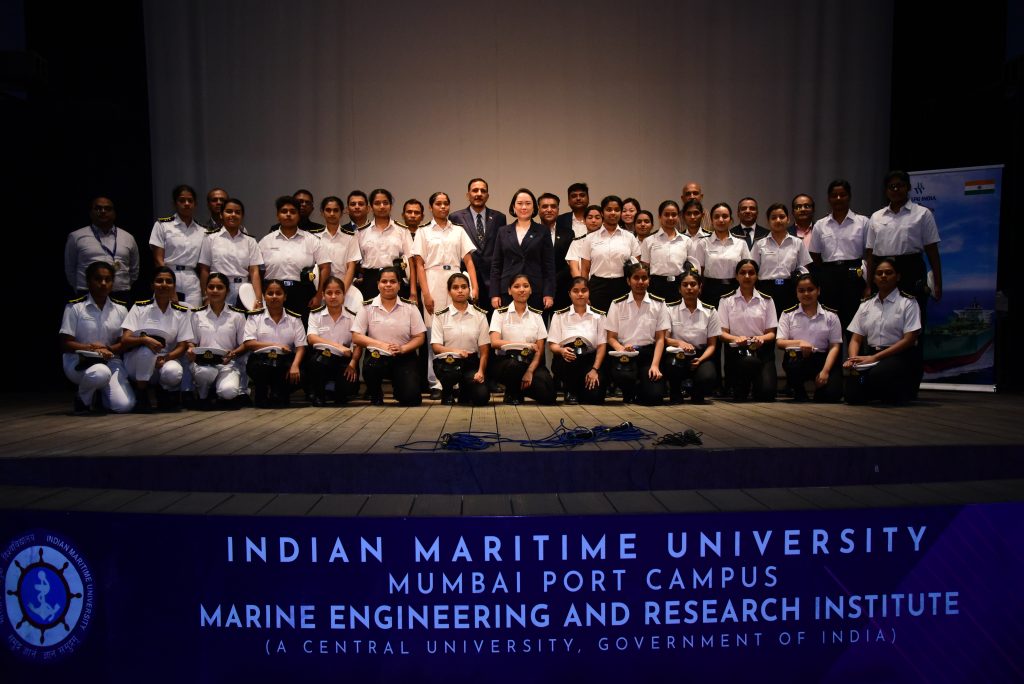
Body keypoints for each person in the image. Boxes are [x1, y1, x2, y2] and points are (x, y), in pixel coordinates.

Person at [413, 191, 479, 396]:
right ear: (431, 207)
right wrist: (425, 293)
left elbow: (468, 260)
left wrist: (474, 286)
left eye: (446, 203)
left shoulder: (458, 230)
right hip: (433, 280)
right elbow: (419, 264)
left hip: (456, 280)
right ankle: (436, 383)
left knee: (456, 330)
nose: (442, 207)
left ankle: (456, 380)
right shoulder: (423, 232)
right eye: (438, 204)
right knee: (435, 334)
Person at [59, 261, 135, 414]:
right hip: (80, 361)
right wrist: (91, 348)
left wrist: (108, 349)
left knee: (124, 405)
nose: (103, 283)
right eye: (98, 279)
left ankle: (101, 396)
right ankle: (83, 399)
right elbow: (65, 343)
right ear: (88, 281)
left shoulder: (120, 309)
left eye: (108, 279)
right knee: (100, 372)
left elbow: (124, 343)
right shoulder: (75, 307)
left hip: (110, 360)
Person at [843, 257, 922, 404]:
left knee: (878, 375)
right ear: (873, 278)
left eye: (888, 273)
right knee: (852, 395)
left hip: (899, 356)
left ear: (897, 276)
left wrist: (875, 358)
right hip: (871, 357)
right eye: (879, 273)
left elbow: (909, 339)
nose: (883, 276)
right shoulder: (866, 305)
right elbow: (856, 338)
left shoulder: (908, 303)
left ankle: (896, 392)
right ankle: (878, 392)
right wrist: (853, 359)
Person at [120, 267, 194, 412]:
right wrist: (144, 340)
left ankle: (164, 392)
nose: (164, 284)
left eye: (169, 281)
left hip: (163, 360)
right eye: (159, 281)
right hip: (137, 361)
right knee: (146, 352)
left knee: (174, 371)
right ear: (152, 285)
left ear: (174, 286)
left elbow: (182, 345)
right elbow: (125, 339)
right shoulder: (139, 308)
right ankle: (142, 394)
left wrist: (166, 358)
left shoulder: (181, 312)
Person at [351, 267, 426, 406]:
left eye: (393, 281)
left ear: (399, 285)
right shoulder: (367, 307)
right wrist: (382, 346)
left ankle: (400, 390)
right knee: (371, 365)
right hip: (377, 356)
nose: (388, 285)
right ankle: (375, 393)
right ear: (378, 284)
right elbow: (356, 336)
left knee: (411, 399)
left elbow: (420, 337)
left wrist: (403, 349)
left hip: (404, 356)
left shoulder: (410, 307)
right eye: (384, 281)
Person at [809, 179, 870, 332]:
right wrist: (823, 277)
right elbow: (815, 256)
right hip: (829, 276)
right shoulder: (820, 225)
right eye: (834, 195)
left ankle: (855, 356)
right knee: (830, 326)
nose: (838, 199)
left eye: (842, 195)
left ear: (849, 196)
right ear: (829, 198)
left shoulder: (862, 222)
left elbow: (870, 254)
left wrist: (869, 285)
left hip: (854, 275)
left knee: (855, 325)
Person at [258, 195, 330, 321]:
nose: (288, 215)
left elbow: (325, 267)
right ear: (277, 215)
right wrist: (259, 296)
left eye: (293, 212)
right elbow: (256, 270)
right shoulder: (265, 241)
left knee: (303, 332)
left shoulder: (312, 240)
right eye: (284, 211)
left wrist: (319, 295)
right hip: (274, 293)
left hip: (303, 293)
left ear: (298, 215)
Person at [606, 262, 668, 405]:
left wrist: (655, 366)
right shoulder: (617, 304)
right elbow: (611, 338)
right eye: (636, 278)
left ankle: (641, 388)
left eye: (644, 278)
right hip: (625, 355)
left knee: (654, 398)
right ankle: (629, 391)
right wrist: (622, 350)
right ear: (628, 281)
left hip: (648, 355)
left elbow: (660, 339)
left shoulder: (659, 304)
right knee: (623, 375)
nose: (640, 282)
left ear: (649, 280)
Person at [488, 274, 555, 405]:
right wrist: (523, 345)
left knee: (549, 395)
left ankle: (520, 388)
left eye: (526, 286)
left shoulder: (537, 315)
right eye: (516, 286)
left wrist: (530, 372)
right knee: (514, 365)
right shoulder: (500, 313)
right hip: (506, 362)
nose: (521, 290)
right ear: (509, 290)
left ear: (530, 290)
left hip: (530, 362)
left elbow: (539, 350)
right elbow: (494, 342)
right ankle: (512, 391)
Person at [776, 273, 843, 402]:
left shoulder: (831, 316)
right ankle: (798, 391)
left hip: (822, 359)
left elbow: (835, 346)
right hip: (798, 358)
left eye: (810, 289)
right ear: (796, 293)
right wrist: (800, 343)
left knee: (832, 395)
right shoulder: (788, 314)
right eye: (801, 290)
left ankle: (821, 391)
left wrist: (825, 371)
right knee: (792, 363)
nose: (806, 294)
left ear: (818, 291)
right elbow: (780, 342)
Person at [718, 259, 778, 401]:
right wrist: (735, 339)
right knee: (740, 392)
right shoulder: (726, 300)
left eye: (751, 273)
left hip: (761, 350)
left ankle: (757, 385)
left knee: (767, 394)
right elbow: (722, 333)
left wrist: (761, 339)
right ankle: (742, 387)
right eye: (742, 273)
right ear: (737, 276)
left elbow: (771, 333)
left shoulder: (767, 300)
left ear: (757, 276)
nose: (747, 276)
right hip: (737, 351)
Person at [489, 188, 555, 312]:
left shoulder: (542, 231)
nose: (524, 207)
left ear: (534, 208)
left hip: (535, 290)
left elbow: (549, 265)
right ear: (513, 207)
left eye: (528, 203)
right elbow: (496, 265)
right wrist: (494, 293)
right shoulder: (503, 231)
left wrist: (549, 293)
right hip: (508, 290)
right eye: (520, 203)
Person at [242, 279, 307, 407]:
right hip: (261, 361)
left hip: (284, 362)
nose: (274, 297)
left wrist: (295, 365)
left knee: (302, 374)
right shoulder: (255, 317)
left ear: (285, 296)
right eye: (270, 293)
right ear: (264, 297)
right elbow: (249, 343)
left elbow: (300, 347)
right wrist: (275, 346)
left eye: (278, 293)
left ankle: (279, 391)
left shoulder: (294, 318)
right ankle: (262, 391)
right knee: (260, 368)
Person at [188, 272, 247, 409]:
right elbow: (191, 342)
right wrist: (190, 349)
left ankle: (217, 392)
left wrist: (233, 353)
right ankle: (203, 396)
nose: (215, 291)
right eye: (211, 287)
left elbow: (244, 344)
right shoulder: (197, 315)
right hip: (203, 364)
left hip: (227, 364)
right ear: (206, 289)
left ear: (227, 291)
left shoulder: (237, 315)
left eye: (219, 287)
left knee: (229, 392)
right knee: (206, 372)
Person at [65, 196, 139, 304]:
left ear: (114, 213)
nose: (103, 211)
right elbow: (70, 269)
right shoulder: (76, 237)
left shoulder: (128, 238)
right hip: (87, 294)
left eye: (108, 208)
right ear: (91, 213)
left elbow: (134, 270)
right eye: (98, 208)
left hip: (120, 294)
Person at [430, 273, 490, 406]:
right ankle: (447, 391)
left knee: (482, 397)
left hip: (471, 362)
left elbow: (484, 350)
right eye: (455, 287)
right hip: (448, 363)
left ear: (469, 289)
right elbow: (436, 347)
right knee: (449, 372)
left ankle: (465, 391)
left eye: (464, 287)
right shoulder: (440, 316)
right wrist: (456, 351)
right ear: (449, 291)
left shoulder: (480, 315)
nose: (460, 290)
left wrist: (480, 372)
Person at [450, 178, 507, 313]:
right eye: (475, 190)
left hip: (492, 280)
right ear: (467, 194)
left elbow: (502, 249)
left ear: (487, 195)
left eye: (483, 191)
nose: (479, 193)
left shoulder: (499, 217)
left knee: (491, 321)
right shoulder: (455, 217)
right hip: (466, 279)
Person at [547, 277, 607, 404]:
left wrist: (594, 370)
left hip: (589, 361)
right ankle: (570, 390)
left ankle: (581, 388)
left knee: (595, 398)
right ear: (569, 293)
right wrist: (561, 350)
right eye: (576, 291)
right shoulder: (559, 315)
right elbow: (552, 344)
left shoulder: (599, 316)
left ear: (589, 292)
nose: (580, 294)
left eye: (584, 290)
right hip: (566, 360)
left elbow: (602, 346)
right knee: (571, 356)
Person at [663, 271, 720, 404]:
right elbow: (664, 339)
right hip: (677, 354)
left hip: (700, 355)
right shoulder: (669, 309)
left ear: (700, 288)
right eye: (685, 285)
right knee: (671, 365)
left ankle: (697, 392)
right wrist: (679, 343)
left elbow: (712, 344)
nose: (689, 288)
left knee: (708, 376)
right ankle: (675, 391)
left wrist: (700, 360)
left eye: (693, 284)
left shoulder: (710, 311)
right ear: (679, 289)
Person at [197, 198, 264, 308]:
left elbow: (254, 271)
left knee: (242, 323)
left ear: (242, 217)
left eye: (237, 212)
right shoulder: (210, 238)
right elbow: (204, 269)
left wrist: (258, 299)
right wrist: (205, 297)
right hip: (217, 289)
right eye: (229, 211)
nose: (233, 215)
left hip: (243, 291)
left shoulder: (250, 241)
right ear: (221, 215)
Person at [579, 195, 641, 312]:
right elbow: (585, 270)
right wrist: (584, 291)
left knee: (622, 324)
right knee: (600, 324)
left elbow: (636, 268)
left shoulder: (629, 237)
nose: (613, 213)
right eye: (608, 209)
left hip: (622, 286)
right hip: (598, 287)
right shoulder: (591, 238)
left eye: (617, 210)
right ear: (602, 213)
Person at [305, 276, 361, 406]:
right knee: (316, 362)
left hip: (344, 361)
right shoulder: (315, 315)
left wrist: (353, 364)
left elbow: (358, 345)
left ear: (343, 294)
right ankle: (319, 394)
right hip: (322, 359)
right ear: (323, 295)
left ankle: (332, 389)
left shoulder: (353, 317)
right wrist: (338, 346)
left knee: (346, 392)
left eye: (337, 292)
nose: (333, 296)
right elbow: (311, 338)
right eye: (329, 293)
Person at [749, 202, 812, 316]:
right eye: (774, 218)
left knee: (789, 325)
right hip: (765, 290)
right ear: (768, 221)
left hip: (790, 289)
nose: (778, 220)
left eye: (782, 217)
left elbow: (804, 269)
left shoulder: (797, 242)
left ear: (788, 219)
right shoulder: (760, 244)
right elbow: (752, 269)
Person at [355, 188, 417, 302]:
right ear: (371, 207)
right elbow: (355, 262)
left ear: (391, 205)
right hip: (371, 281)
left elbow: (411, 262)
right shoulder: (361, 232)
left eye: (385, 203)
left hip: (395, 279)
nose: (382, 206)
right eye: (377, 203)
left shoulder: (402, 230)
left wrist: (413, 292)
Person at [149, 184, 205, 306]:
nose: (186, 203)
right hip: (168, 275)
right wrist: (169, 285)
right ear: (175, 203)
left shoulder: (202, 231)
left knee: (193, 318)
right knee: (167, 317)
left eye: (190, 200)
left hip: (191, 279)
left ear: (195, 204)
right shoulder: (162, 225)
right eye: (182, 200)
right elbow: (158, 259)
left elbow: (203, 265)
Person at [689, 202, 750, 308]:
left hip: (734, 289)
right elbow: (699, 271)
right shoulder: (703, 243)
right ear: (711, 221)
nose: (721, 220)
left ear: (731, 220)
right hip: (710, 290)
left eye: (725, 216)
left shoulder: (740, 243)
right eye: (716, 217)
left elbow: (747, 270)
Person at [641, 200, 692, 302]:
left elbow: (692, 266)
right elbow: (645, 268)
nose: (670, 218)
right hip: (656, 286)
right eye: (666, 215)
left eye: (674, 215)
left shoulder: (687, 240)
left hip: (679, 285)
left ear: (678, 217)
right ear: (660, 217)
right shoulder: (649, 241)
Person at [316, 195, 361, 296]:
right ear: (322, 213)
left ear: (341, 213)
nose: (332, 214)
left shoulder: (350, 237)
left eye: (336, 210)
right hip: (319, 289)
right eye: (328, 210)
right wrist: (319, 294)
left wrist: (341, 291)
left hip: (345, 287)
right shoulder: (314, 237)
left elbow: (351, 267)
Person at [538, 192, 575, 314]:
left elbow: (569, 263)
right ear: (538, 209)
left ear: (558, 210)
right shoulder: (531, 233)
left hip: (562, 290)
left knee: (561, 331)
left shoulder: (568, 234)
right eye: (545, 206)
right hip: (537, 291)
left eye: (553, 206)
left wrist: (553, 279)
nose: (549, 210)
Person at [566, 205, 603, 278]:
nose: (593, 220)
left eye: (597, 218)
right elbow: (574, 268)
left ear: (603, 220)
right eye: (590, 217)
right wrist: (582, 284)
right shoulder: (577, 242)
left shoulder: (608, 241)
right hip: (583, 283)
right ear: (584, 220)